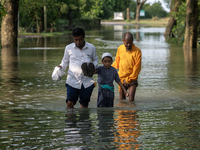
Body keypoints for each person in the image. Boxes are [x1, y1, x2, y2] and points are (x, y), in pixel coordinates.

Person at [58, 27, 98, 108]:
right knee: (69, 103)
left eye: (80, 39)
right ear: (73, 38)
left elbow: (96, 60)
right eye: (75, 39)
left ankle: (82, 120)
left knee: (84, 106)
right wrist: (61, 67)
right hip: (72, 81)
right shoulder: (68, 48)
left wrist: (93, 67)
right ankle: (70, 120)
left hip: (87, 82)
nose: (78, 42)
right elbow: (65, 61)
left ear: (84, 37)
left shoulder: (91, 47)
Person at [112, 32, 141, 101]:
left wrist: (128, 80)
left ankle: (131, 111)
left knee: (131, 100)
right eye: (127, 43)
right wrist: (108, 68)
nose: (128, 45)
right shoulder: (120, 48)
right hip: (121, 79)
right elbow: (117, 62)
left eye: (130, 43)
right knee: (121, 100)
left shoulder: (137, 51)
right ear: (123, 41)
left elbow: (137, 68)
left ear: (132, 41)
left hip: (132, 79)